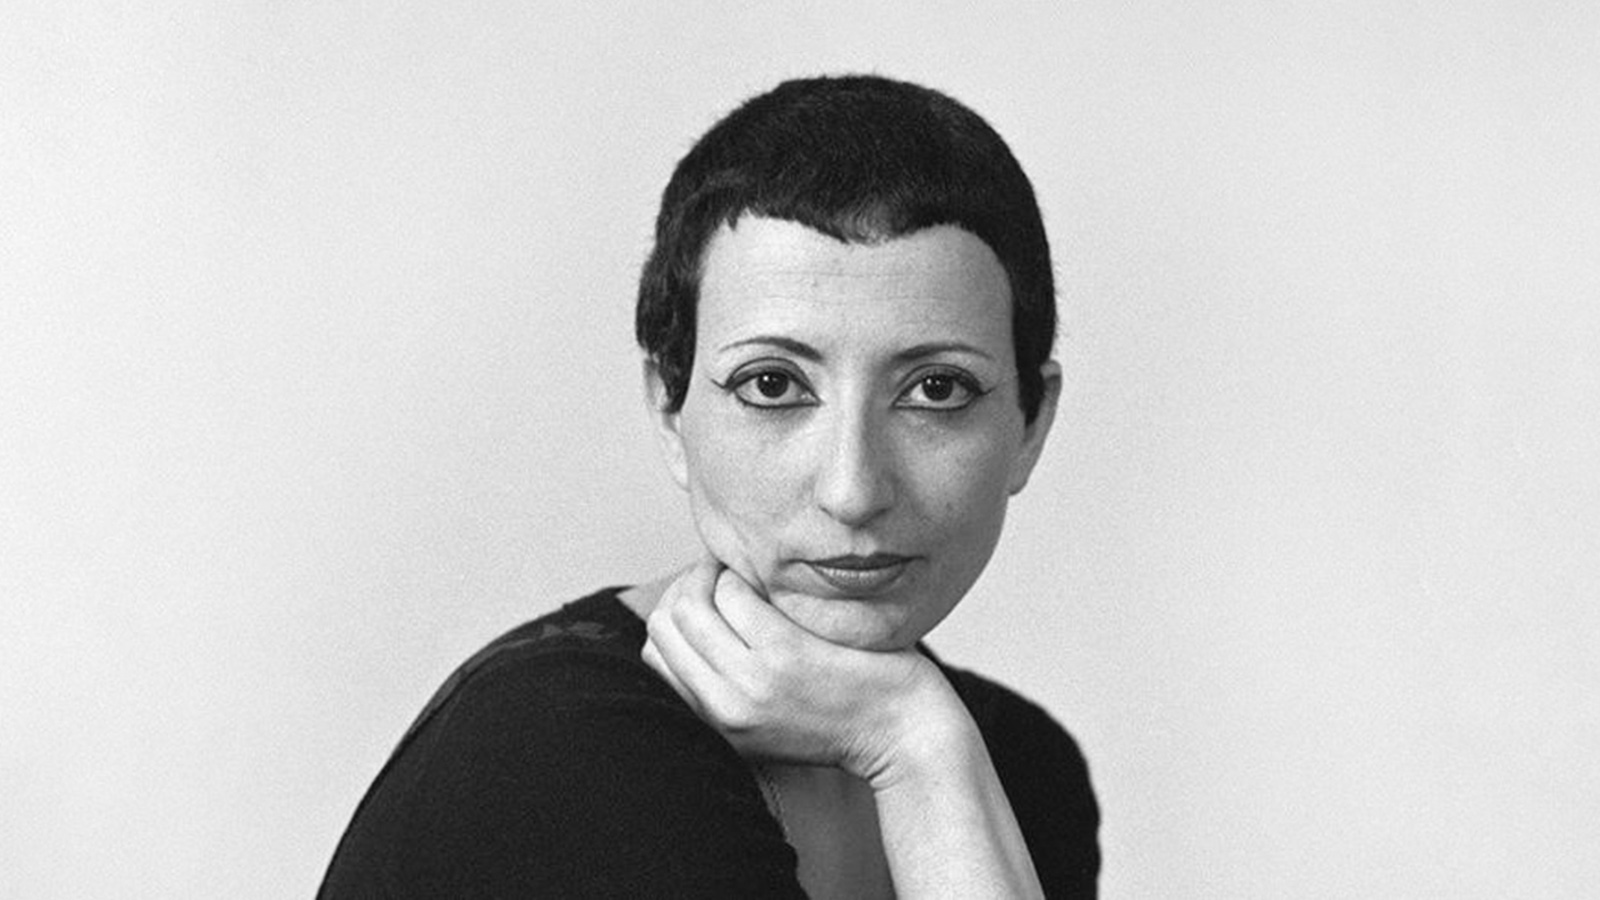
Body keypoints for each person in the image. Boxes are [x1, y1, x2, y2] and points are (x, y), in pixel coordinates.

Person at [319, 74, 1100, 899]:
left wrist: (921, 748)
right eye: (772, 385)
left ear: (1031, 422)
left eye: (936, 390)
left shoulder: (1013, 766)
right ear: (670, 409)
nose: (852, 489)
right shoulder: (561, 747)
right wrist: (910, 740)